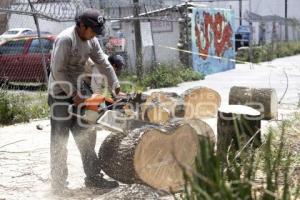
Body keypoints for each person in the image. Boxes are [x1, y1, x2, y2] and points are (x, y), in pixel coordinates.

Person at [48, 9, 120, 193]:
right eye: (92, 30)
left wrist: (115, 85)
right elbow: (57, 71)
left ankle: (94, 177)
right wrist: (73, 94)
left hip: (79, 91)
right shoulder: (66, 40)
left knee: (86, 135)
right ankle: (58, 184)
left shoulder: (91, 40)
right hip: (59, 94)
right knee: (59, 140)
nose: (95, 34)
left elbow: (103, 62)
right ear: (81, 25)